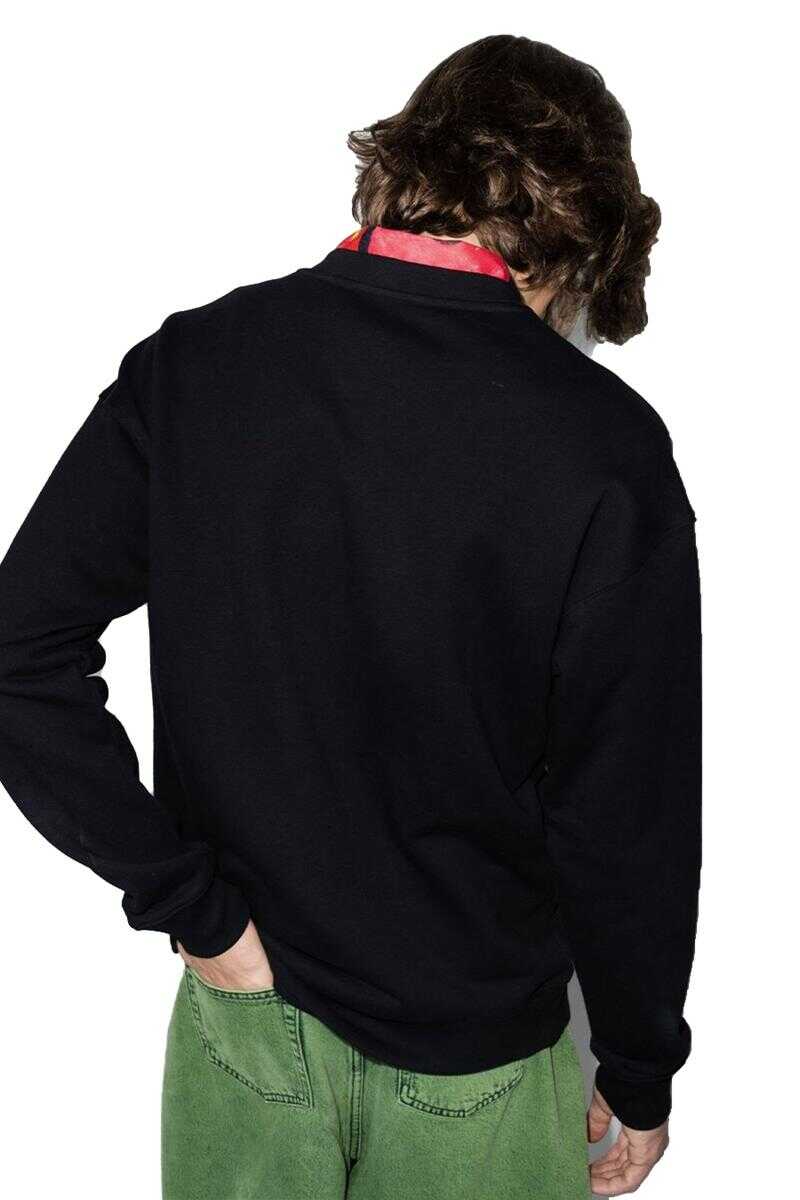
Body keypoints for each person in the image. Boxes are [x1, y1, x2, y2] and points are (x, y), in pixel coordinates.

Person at [0, 34, 701, 1200]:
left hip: (246, 1018)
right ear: (580, 233)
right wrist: (636, 1067)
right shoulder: (601, 445)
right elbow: (624, 809)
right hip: (476, 1051)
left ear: (404, 167)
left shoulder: (197, 367)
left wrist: (196, 914)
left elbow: (16, 655)